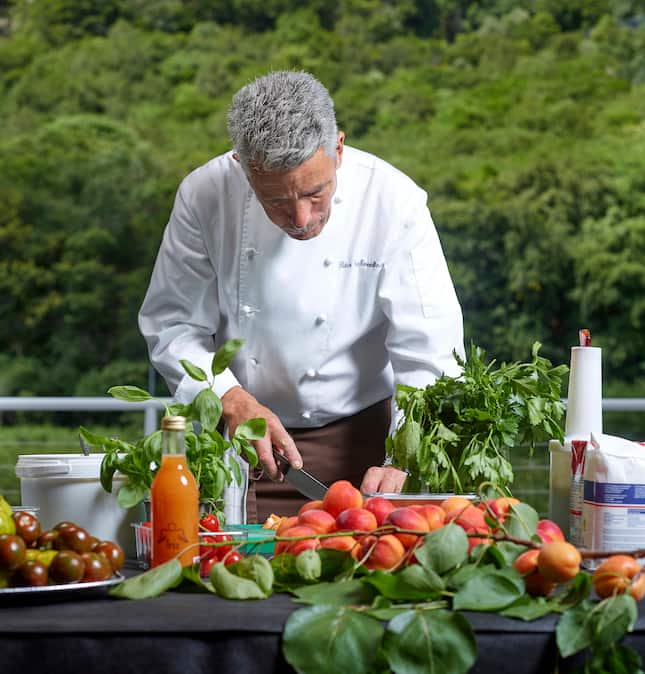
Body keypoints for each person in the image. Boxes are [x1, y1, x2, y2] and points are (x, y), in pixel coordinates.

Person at [138, 70, 464, 521]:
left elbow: (430, 353)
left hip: (368, 449)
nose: (301, 217)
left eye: (315, 192)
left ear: (339, 150)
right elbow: (173, 325)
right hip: (243, 448)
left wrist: (404, 456)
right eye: (276, 200)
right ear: (242, 165)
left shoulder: (393, 202)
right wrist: (229, 399)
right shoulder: (204, 195)